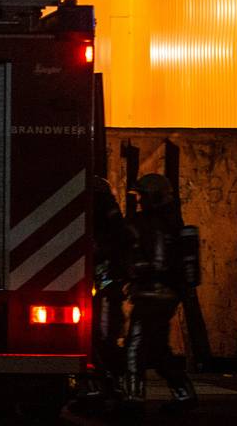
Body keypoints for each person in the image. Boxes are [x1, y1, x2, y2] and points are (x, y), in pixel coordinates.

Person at [121, 173, 197, 413]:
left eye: (142, 196)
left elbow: (151, 263)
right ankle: (184, 394)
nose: (140, 201)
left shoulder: (149, 225)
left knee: (134, 347)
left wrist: (131, 273)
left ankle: (133, 398)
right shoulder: (173, 223)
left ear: (154, 197)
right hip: (165, 296)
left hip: (150, 296)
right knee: (158, 348)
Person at [74, 176, 133, 411]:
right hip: (104, 286)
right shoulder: (111, 222)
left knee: (101, 338)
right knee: (98, 337)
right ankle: (107, 388)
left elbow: (118, 242)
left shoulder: (110, 226)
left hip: (107, 286)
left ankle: (109, 389)